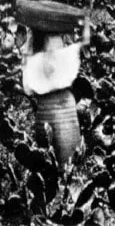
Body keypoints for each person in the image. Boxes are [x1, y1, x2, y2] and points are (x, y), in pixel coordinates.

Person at [21, 18, 91, 166]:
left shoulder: (35, 49)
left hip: (49, 107)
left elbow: (28, 88)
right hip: (61, 105)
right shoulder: (56, 44)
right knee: (66, 160)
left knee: (51, 158)